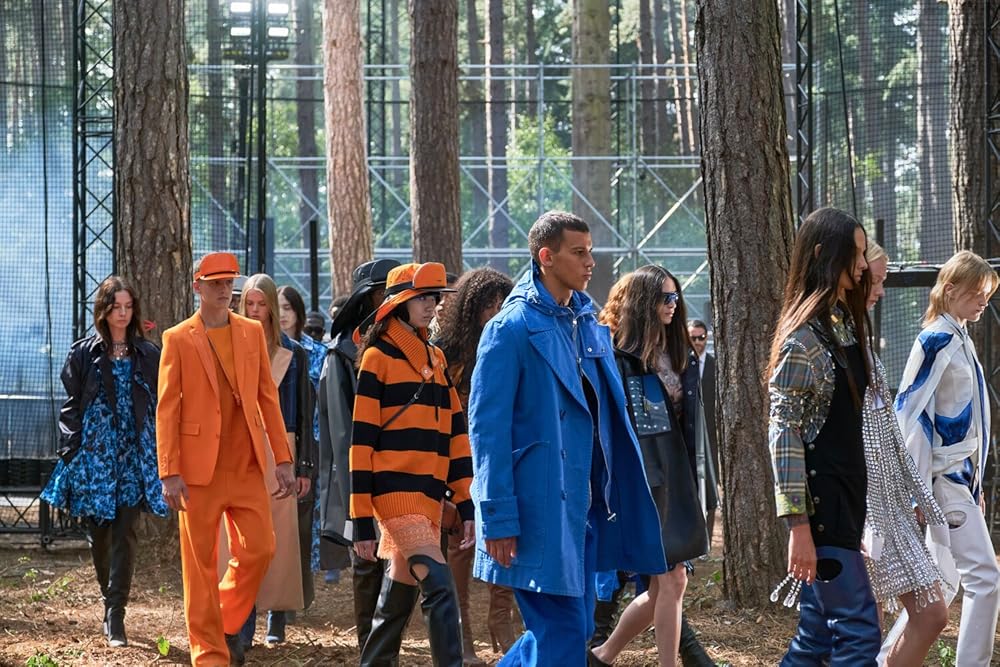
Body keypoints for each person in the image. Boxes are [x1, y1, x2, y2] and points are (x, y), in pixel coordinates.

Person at [469, 210, 665, 665]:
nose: (590, 261)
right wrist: (498, 518)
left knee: (569, 631)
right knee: (564, 633)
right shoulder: (509, 329)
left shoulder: (586, 322)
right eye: (579, 252)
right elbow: (487, 430)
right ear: (546, 257)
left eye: (590, 251)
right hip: (536, 513)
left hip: (586, 509)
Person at [157, 252, 296, 666]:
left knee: (261, 549)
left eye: (229, 281)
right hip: (197, 471)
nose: (224, 288)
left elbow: (267, 398)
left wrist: (283, 459)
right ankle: (208, 656)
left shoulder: (252, 332)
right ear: (197, 287)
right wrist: (169, 471)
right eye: (215, 282)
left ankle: (218, 617)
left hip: (247, 464)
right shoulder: (177, 338)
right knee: (199, 565)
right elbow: (167, 409)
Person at [767, 207, 878, 665]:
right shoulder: (803, 342)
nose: (864, 264)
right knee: (858, 635)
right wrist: (799, 527)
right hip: (824, 514)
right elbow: (784, 436)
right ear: (822, 254)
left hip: (844, 509)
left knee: (816, 640)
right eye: (856, 253)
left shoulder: (841, 324)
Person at [350, 261, 474, 666]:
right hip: (395, 496)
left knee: (397, 599)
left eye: (433, 297)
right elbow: (361, 444)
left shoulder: (436, 359)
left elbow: (456, 436)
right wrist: (361, 520)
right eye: (420, 297)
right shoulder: (377, 358)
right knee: (440, 587)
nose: (431, 305)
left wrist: (466, 504)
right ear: (397, 303)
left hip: (429, 498)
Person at [590, 266, 712, 667]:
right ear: (644, 302)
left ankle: (602, 655)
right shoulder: (618, 357)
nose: (673, 305)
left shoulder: (679, 353)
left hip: (677, 476)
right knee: (672, 579)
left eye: (675, 297)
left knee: (666, 586)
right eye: (664, 297)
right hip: (643, 479)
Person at [42, 276, 167, 648]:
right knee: (99, 533)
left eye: (128, 307)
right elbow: (71, 405)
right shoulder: (83, 353)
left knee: (126, 530)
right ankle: (107, 596)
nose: (123, 314)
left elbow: (161, 403)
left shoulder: (149, 354)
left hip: (133, 454)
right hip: (96, 455)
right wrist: (72, 450)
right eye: (116, 307)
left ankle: (116, 613)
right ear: (104, 310)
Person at [894, 249, 1000, 666]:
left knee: (943, 582)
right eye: (977, 292)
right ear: (951, 289)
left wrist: (974, 485)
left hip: (958, 480)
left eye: (987, 294)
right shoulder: (937, 339)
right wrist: (916, 489)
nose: (984, 301)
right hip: (946, 480)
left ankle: (886, 659)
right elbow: (909, 412)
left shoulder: (957, 337)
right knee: (985, 578)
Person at [854, 241, 947, 666]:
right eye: (873, 280)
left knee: (931, 614)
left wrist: (914, 493)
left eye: (883, 281)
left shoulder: (863, 345)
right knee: (862, 627)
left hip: (891, 504)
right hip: (859, 507)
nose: (880, 290)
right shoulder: (829, 345)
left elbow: (890, 432)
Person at [434, 266, 518, 664]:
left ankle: (502, 620)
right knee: (460, 546)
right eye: (488, 304)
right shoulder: (445, 352)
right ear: (470, 308)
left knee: (508, 536)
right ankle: (461, 633)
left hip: (502, 456)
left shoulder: (511, 344)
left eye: (502, 303)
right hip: (457, 462)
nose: (496, 311)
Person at [317, 258, 399, 649]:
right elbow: (342, 435)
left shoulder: (410, 348)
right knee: (368, 566)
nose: (394, 299)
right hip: (362, 482)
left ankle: (386, 650)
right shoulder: (341, 355)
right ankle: (371, 652)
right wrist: (357, 504)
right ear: (368, 297)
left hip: (402, 478)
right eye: (386, 292)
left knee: (398, 570)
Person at [233, 274, 317, 647]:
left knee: (281, 536)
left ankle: (277, 615)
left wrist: (304, 467)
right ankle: (243, 618)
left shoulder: (294, 354)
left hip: (283, 447)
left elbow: (304, 413)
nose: (255, 311)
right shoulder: (231, 345)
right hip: (241, 449)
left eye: (261, 304)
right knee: (244, 537)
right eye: (249, 304)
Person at [687, 318, 720, 546]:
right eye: (693, 338)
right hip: (688, 437)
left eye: (702, 338)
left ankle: (706, 539)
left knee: (710, 490)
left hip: (711, 440)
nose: (698, 342)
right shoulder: (679, 365)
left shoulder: (715, 366)